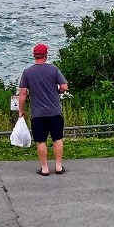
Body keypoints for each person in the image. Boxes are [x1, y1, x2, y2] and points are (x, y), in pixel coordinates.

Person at [18, 42, 70, 176]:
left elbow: (23, 93)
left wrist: (21, 111)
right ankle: (58, 166)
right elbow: (64, 87)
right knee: (57, 138)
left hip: (38, 113)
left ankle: (45, 168)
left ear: (34, 56)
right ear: (46, 55)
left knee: (41, 140)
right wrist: (56, 91)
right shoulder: (54, 69)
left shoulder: (27, 72)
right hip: (55, 112)